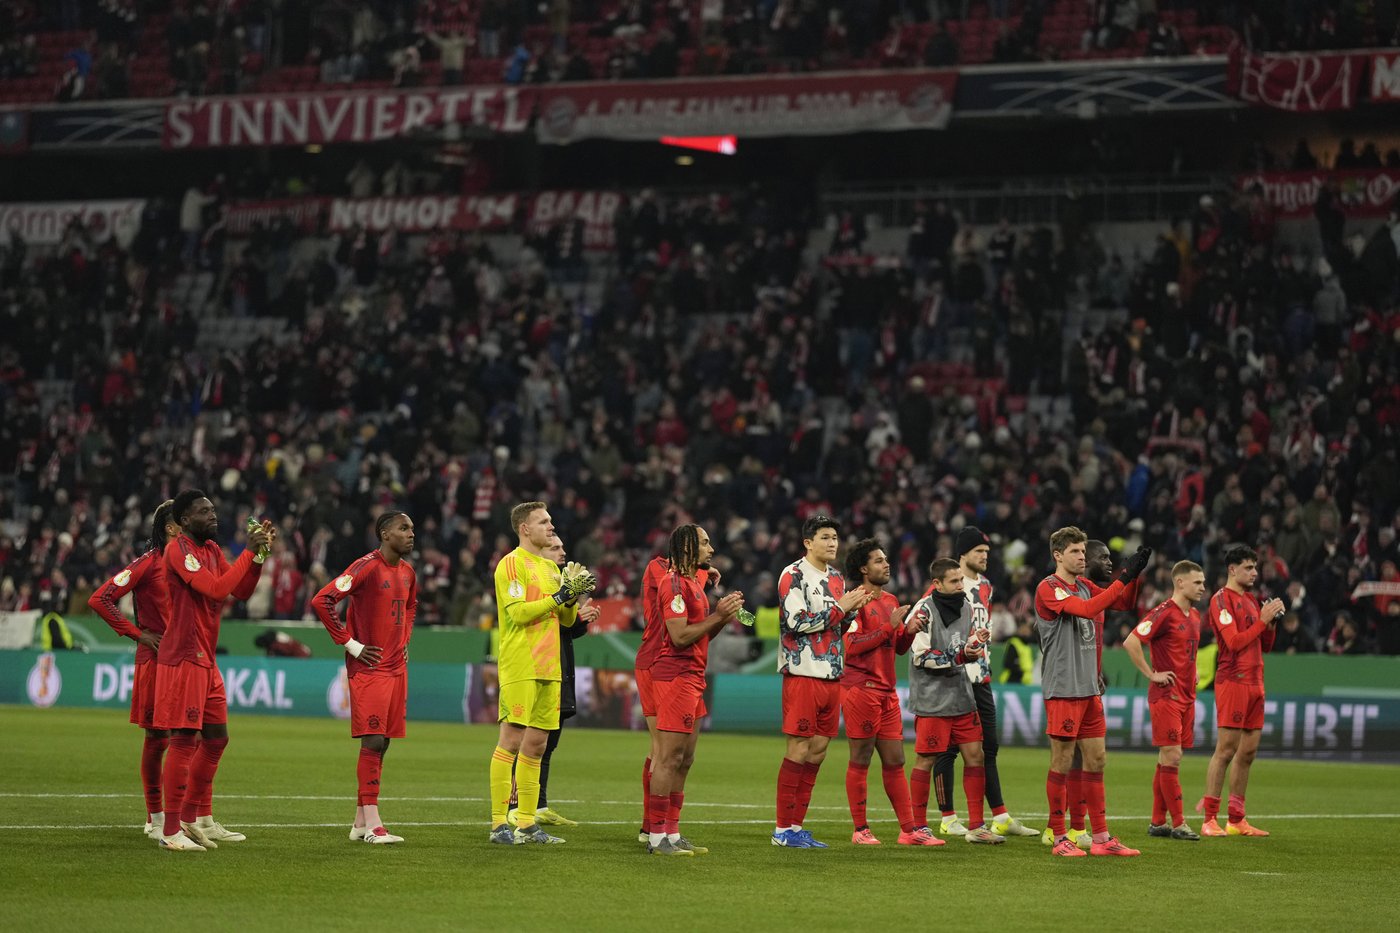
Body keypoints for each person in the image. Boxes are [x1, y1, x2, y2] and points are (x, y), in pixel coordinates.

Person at [153, 489, 272, 852]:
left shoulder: (212, 551)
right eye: (204, 512)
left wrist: (260, 554)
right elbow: (216, 588)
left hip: (206, 659)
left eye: (213, 510)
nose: (213, 516)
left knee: (217, 738)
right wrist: (248, 552)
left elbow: (243, 593)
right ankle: (169, 831)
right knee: (185, 741)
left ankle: (189, 819)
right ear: (185, 520)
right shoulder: (180, 551)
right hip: (185, 656)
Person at [1034, 526, 1148, 857]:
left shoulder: (1085, 585)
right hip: (1063, 688)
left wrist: (1135, 574)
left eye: (1084, 551)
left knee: (1096, 760)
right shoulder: (1048, 588)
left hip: (1089, 689)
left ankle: (1101, 838)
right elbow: (1085, 610)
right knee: (1062, 761)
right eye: (1075, 552)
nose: (1082, 557)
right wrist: (1123, 576)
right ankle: (1059, 837)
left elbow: (1123, 601)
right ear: (1058, 555)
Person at [488, 501, 592, 845]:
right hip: (521, 664)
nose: (551, 526)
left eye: (550, 520)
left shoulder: (550, 569)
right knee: (512, 741)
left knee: (536, 745)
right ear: (524, 528)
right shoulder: (511, 565)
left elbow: (564, 620)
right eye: (543, 522)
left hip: (551, 667)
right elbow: (518, 614)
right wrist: (563, 592)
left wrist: (572, 596)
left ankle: (528, 824)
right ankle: (498, 824)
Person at [312, 510, 418, 845]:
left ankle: (360, 822)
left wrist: (404, 641)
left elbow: (411, 607)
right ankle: (374, 825)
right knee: (372, 740)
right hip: (369, 667)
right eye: (404, 528)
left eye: (412, 528)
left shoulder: (408, 572)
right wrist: (351, 644)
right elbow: (323, 600)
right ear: (385, 534)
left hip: (395, 666)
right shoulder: (365, 567)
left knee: (383, 741)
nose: (411, 533)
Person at [772, 515, 873, 848]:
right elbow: (795, 623)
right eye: (826, 537)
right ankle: (782, 830)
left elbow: (837, 627)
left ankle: (796, 826)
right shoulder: (793, 575)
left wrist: (853, 610)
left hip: (832, 673)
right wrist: (841, 609)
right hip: (802, 673)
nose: (833, 543)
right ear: (808, 543)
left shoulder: (836, 579)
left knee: (817, 752)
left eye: (835, 538)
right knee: (799, 749)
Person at [932, 527, 1037, 838]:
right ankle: (948, 817)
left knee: (988, 746)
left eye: (987, 553)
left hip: (982, 675)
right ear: (963, 554)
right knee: (948, 748)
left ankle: (1000, 815)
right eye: (979, 551)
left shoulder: (988, 587)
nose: (985, 556)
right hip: (953, 675)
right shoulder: (946, 585)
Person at [646, 523, 744, 856]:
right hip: (675, 676)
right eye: (704, 543)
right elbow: (679, 636)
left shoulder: (692, 584)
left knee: (685, 759)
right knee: (668, 757)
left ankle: (672, 832)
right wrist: (717, 615)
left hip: (692, 677)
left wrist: (722, 618)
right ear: (687, 548)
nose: (711, 548)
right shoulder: (672, 584)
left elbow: (698, 635)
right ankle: (656, 835)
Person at [86, 499, 179, 840]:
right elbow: (100, 598)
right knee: (157, 738)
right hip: (155, 661)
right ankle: (155, 817)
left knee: (196, 737)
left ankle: (188, 816)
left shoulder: (191, 564)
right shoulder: (148, 564)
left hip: (186, 661)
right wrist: (138, 635)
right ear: (171, 527)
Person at [840, 538, 931, 846]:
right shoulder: (855, 600)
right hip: (860, 689)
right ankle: (860, 830)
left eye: (886, 559)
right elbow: (851, 647)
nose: (886, 564)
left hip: (887, 692)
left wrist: (907, 632)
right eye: (879, 561)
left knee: (895, 760)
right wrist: (890, 628)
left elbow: (898, 649)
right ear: (864, 568)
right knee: (861, 758)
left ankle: (909, 831)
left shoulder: (891, 600)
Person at [908, 558, 1003, 845]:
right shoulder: (923, 610)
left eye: (961, 580)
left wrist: (976, 642)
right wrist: (961, 655)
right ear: (937, 584)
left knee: (976, 755)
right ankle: (918, 827)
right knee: (926, 759)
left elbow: (962, 644)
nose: (961, 585)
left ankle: (977, 826)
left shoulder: (964, 607)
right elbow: (920, 656)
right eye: (954, 581)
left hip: (962, 695)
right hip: (933, 700)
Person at [508, 534, 598, 828]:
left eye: (562, 546)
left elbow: (563, 631)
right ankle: (515, 804)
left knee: (547, 744)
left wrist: (579, 620)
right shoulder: (534, 583)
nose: (563, 552)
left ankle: (539, 804)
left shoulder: (560, 584)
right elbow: (532, 625)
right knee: (526, 742)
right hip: (536, 668)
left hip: (560, 669)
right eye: (556, 547)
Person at [1199, 545, 1284, 837]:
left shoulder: (1251, 600)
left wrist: (1270, 625)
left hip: (1256, 681)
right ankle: (1210, 818)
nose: (1255, 573)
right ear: (1232, 569)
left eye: (1255, 567)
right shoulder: (1221, 601)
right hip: (1233, 680)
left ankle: (1236, 819)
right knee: (1226, 750)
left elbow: (1266, 646)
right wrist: (1262, 621)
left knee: (1248, 752)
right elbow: (1233, 643)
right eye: (1249, 567)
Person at [1123, 560, 1206, 841]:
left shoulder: (1195, 616)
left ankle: (1158, 822)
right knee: (1173, 755)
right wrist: (1151, 674)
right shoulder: (1163, 613)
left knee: (1166, 759)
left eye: (1203, 583)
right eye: (1197, 582)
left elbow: (1187, 654)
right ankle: (1179, 822)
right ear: (1180, 582)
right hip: (1166, 695)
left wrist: (1191, 675)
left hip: (1186, 695)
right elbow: (1131, 642)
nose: (1203, 587)